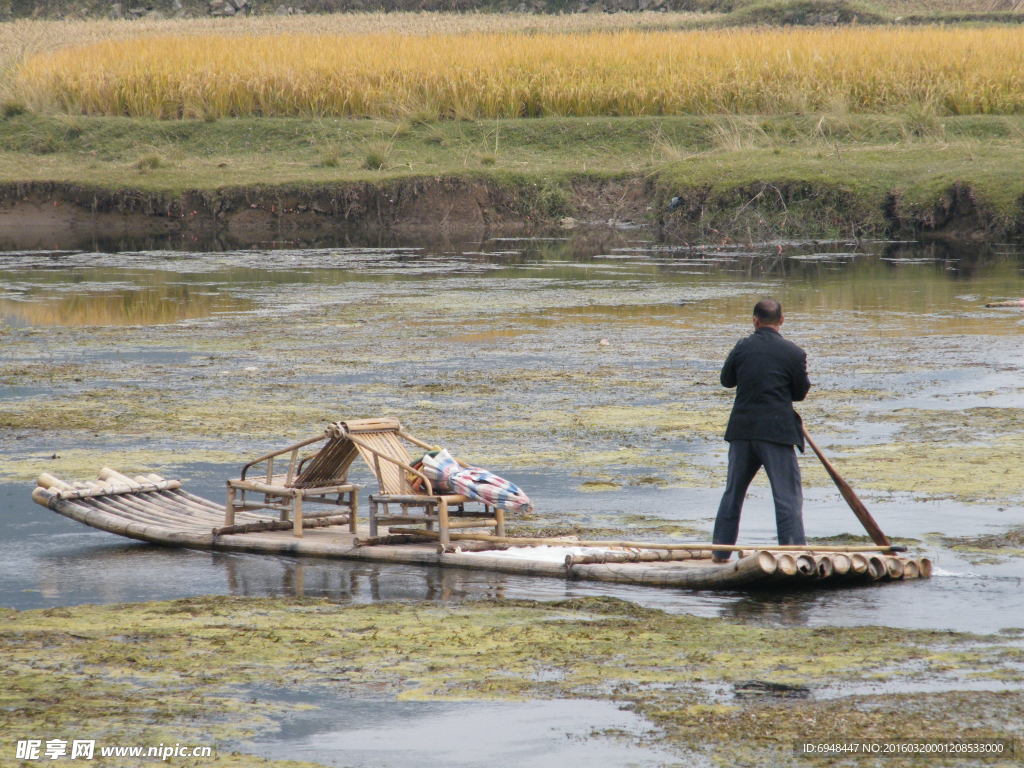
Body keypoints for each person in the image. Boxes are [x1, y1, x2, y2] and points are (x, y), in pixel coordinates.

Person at [711, 298, 810, 563]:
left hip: (743, 431)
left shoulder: (743, 347)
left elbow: (726, 381)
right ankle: (792, 555)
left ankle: (721, 553)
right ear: (782, 321)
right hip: (777, 431)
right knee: (787, 497)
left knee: (733, 493)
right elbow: (800, 393)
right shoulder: (794, 353)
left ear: (755, 320)